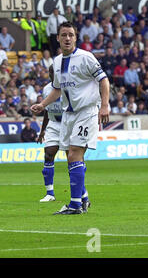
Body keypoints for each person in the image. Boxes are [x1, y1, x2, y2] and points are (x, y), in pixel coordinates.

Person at [31, 22, 110, 215]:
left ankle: (75, 205)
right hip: (68, 114)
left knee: (74, 153)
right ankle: (83, 199)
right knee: (71, 156)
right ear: (57, 38)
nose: (67, 38)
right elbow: (57, 89)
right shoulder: (57, 62)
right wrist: (43, 104)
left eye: (71, 35)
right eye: (64, 35)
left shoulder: (86, 57)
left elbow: (103, 80)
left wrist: (105, 105)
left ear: (76, 38)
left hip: (87, 111)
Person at [37, 66, 62, 202]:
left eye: (55, 72)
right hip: (53, 123)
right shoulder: (47, 89)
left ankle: (81, 192)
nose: (53, 74)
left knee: (73, 157)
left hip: (68, 123)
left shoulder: (68, 86)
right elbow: (46, 110)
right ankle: (50, 193)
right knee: (48, 154)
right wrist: (42, 131)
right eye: (51, 72)